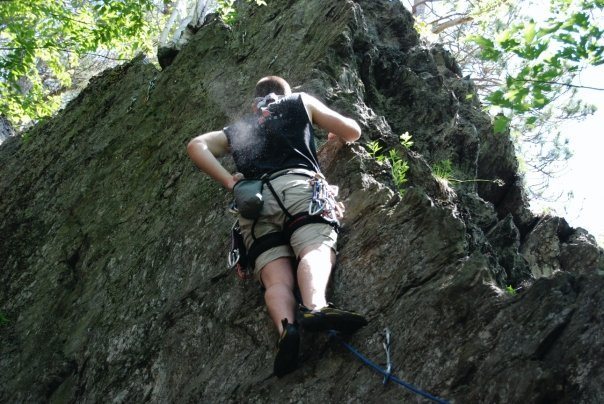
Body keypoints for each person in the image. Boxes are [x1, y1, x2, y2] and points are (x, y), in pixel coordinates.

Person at [187, 75, 367, 377]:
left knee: (275, 279)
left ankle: (287, 327)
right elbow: (352, 131)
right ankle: (315, 307)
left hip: (255, 204)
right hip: (299, 188)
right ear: (287, 93)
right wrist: (331, 134)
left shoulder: (238, 129)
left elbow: (196, 145)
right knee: (314, 248)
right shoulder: (300, 102)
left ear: (254, 101)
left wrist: (230, 182)